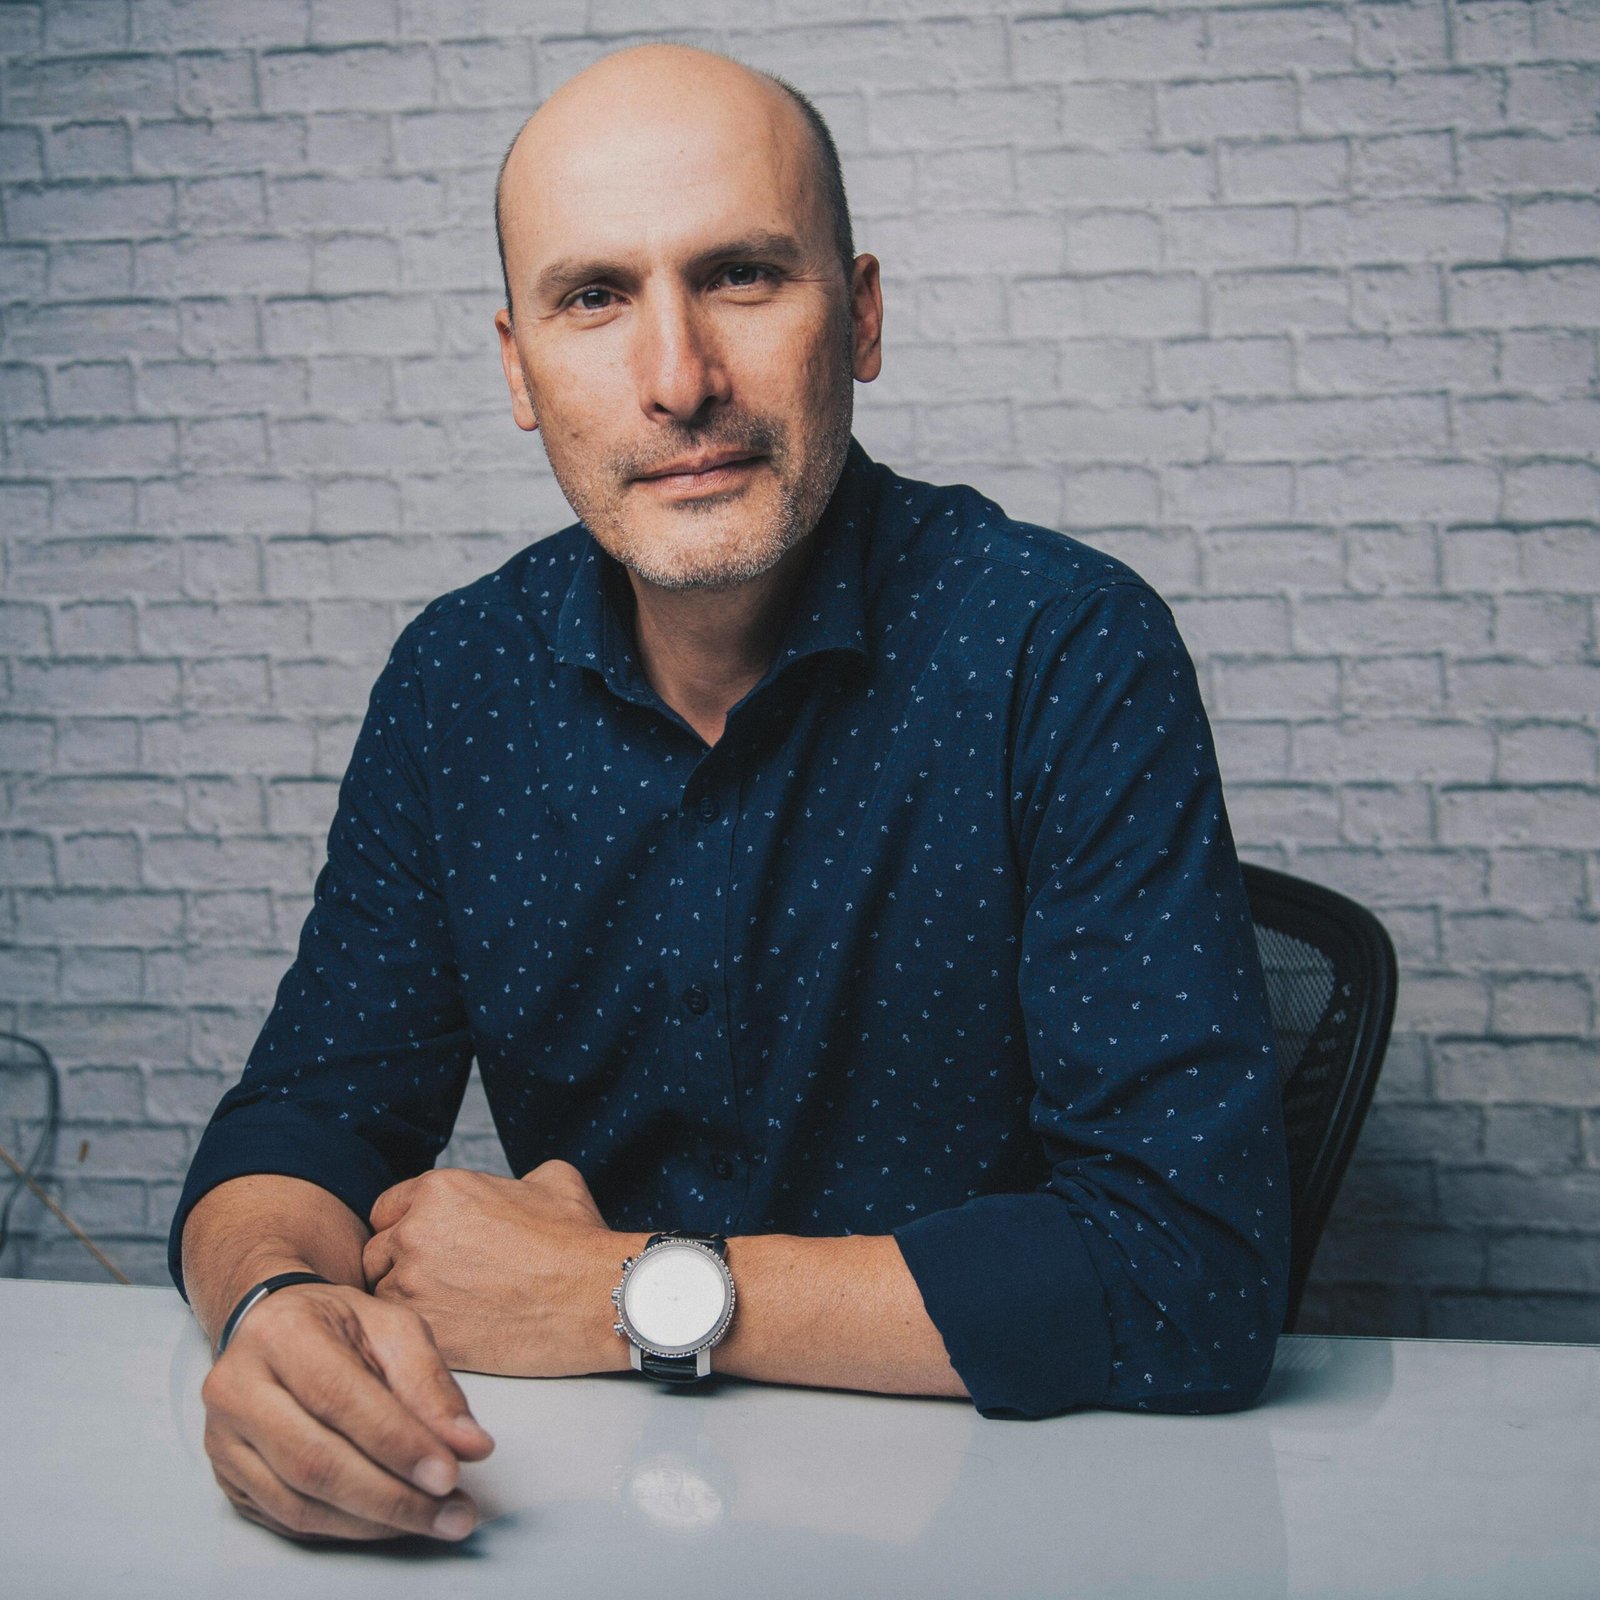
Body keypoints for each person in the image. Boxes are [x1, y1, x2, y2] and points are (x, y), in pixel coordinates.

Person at [171, 43, 1289, 1546]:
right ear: (518, 367)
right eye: (593, 298)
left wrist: (620, 1291)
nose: (679, 379)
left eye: (744, 277)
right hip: (590, 1522)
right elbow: (306, 1118)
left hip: (1004, 1528)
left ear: (862, 317)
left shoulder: (1065, 649)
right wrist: (273, 1309)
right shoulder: (455, 682)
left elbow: (1193, 1274)